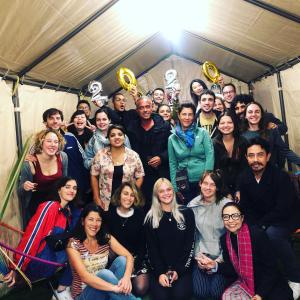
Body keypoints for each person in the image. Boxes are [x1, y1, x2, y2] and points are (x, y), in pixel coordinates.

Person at [239, 138, 300, 299]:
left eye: (260, 155)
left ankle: (295, 277)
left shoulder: (280, 176)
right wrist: (253, 226)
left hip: (286, 218)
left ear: (268, 156)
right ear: (246, 158)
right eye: (251, 156)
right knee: (248, 233)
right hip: (261, 220)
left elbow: (283, 208)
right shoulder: (244, 178)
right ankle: (262, 279)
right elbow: (246, 207)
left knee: (272, 234)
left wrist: (261, 225)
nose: (255, 160)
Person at [4, 177, 81, 300]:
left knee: (80, 246)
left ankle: (63, 288)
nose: (72, 190)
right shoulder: (50, 206)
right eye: (67, 187)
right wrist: (17, 266)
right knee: (78, 249)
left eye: (74, 188)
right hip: (38, 261)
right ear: (58, 190)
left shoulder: (67, 213)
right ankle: (62, 289)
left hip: (52, 263)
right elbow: (33, 235)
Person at [202, 202, 293, 300]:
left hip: (268, 284)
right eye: (226, 217)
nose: (231, 220)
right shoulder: (225, 239)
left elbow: (272, 269)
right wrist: (214, 265)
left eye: (235, 216)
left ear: (242, 218)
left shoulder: (257, 235)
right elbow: (231, 269)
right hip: (244, 282)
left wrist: (260, 294)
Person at [66, 203, 141, 300]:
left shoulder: (105, 238)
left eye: (98, 220)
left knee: (122, 260)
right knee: (104, 274)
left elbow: (128, 256)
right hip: (84, 294)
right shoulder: (73, 245)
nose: (95, 224)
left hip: (106, 290)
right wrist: (114, 288)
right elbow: (85, 277)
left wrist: (127, 278)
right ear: (82, 221)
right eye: (91, 219)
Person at [144, 178, 195, 300]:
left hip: (182, 268)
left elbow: (190, 245)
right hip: (159, 269)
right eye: (161, 191)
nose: (166, 193)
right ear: (156, 194)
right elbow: (151, 250)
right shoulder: (150, 218)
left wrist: (179, 270)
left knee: (180, 295)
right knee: (162, 297)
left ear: (173, 191)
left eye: (169, 189)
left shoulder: (187, 213)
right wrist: (160, 273)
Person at [187, 171, 231, 300]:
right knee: (201, 293)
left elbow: (231, 237)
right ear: (200, 184)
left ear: (217, 187)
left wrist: (217, 261)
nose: (208, 187)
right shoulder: (192, 206)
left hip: (221, 258)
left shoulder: (226, 206)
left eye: (212, 184)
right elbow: (191, 237)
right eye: (205, 183)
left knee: (216, 293)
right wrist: (198, 258)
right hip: (201, 256)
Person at [126, 96, 171, 209]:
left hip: (161, 172)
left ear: (152, 108)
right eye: (141, 108)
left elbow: (171, 148)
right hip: (141, 175)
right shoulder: (131, 128)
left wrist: (161, 158)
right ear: (137, 110)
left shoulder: (164, 126)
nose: (145, 110)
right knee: (143, 206)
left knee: (162, 205)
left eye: (147, 107)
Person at [106, 182, 149, 296]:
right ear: (119, 195)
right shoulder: (110, 212)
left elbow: (142, 244)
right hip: (115, 258)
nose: (128, 198)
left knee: (141, 288)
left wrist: (134, 264)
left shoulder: (139, 214)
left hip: (135, 258)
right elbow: (107, 240)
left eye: (132, 195)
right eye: (125, 193)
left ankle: (127, 284)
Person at [18, 129, 68, 225]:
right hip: (37, 209)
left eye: (56, 142)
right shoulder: (30, 163)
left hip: (57, 206)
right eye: (49, 141)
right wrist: (25, 186)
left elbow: (65, 182)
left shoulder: (63, 157)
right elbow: (20, 191)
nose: (53, 144)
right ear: (41, 143)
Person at [168, 103, 214, 204]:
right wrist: (174, 186)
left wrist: (206, 176)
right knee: (187, 211)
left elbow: (210, 155)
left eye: (190, 114)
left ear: (194, 116)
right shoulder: (172, 138)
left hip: (202, 179)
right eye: (184, 114)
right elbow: (172, 163)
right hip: (183, 180)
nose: (187, 117)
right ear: (179, 115)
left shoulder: (202, 133)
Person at [91, 124, 144, 211]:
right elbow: (94, 176)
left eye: (120, 134)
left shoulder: (133, 155)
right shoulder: (100, 154)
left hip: (126, 202)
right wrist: (96, 197)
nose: (116, 137)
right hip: (105, 201)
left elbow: (140, 176)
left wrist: (132, 194)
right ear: (108, 138)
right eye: (112, 135)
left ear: (124, 137)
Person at [42, 108, 89, 194]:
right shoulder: (41, 140)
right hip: (53, 187)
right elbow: (32, 159)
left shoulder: (70, 137)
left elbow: (83, 158)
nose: (55, 121)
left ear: (62, 121)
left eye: (58, 118)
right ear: (45, 122)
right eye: (51, 118)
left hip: (74, 185)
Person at [241, 102, 300, 167]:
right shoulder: (241, 136)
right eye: (250, 112)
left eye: (257, 112)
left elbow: (285, 151)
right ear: (245, 116)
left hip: (272, 171)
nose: (254, 114)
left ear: (261, 115)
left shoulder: (271, 131)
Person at [213, 111, 248, 198]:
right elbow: (215, 171)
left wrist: (238, 190)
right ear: (218, 126)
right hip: (221, 188)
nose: (226, 125)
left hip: (242, 186)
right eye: (222, 123)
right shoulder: (213, 144)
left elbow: (245, 168)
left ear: (234, 124)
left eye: (229, 122)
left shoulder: (243, 142)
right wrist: (226, 192)